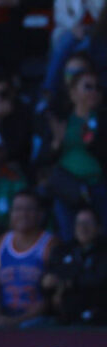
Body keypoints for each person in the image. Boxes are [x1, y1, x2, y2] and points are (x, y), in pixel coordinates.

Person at [44, 69, 107, 240]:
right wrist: (56, 144)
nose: (93, 91)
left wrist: (93, 143)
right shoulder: (60, 119)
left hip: (99, 186)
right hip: (68, 188)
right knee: (68, 235)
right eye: (88, 87)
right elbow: (43, 160)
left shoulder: (103, 119)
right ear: (73, 93)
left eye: (97, 88)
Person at [42, 0, 107, 97]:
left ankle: (51, 92)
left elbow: (102, 11)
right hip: (73, 29)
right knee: (68, 40)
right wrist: (73, 26)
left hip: (101, 29)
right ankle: (51, 94)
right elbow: (59, 10)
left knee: (83, 47)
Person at [0, 190, 56, 328]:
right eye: (18, 209)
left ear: (40, 214)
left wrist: (17, 321)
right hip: (4, 314)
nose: (23, 214)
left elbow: (48, 300)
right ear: (11, 214)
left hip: (36, 319)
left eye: (29, 209)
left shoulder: (50, 245)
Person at [45, 206, 107, 325]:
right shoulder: (63, 250)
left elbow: (99, 280)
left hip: (98, 317)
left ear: (99, 227)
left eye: (88, 223)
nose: (83, 228)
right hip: (63, 317)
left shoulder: (103, 252)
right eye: (79, 223)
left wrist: (66, 282)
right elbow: (48, 279)